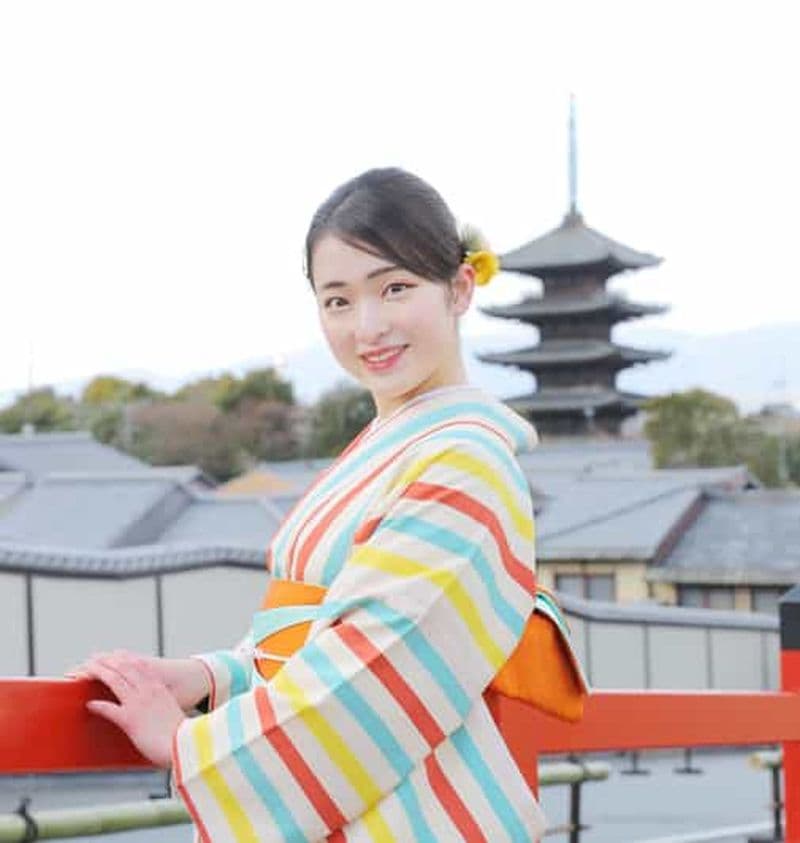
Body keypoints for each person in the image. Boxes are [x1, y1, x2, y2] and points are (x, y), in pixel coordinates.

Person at [76, 168, 548, 841]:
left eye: (395, 287)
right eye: (338, 300)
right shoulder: (397, 445)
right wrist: (209, 675)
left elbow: (376, 664)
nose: (369, 326)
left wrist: (190, 747)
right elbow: (304, 639)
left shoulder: (465, 457)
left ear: (460, 288)